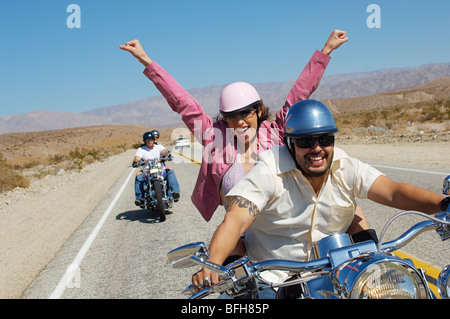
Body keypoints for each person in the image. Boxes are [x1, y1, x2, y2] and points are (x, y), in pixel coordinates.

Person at [192, 99, 448, 293]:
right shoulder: (269, 168)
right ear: (290, 143)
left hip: (340, 276)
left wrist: (443, 204)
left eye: (324, 139)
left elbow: (393, 192)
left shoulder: (345, 166)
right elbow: (236, 220)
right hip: (276, 282)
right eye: (305, 142)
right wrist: (213, 263)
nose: (316, 149)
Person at [120, 30, 360, 222]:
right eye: (232, 116)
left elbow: (301, 92)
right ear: (224, 118)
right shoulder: (215, 139)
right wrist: (146, 61)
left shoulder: (275, 133)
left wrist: (326, 51)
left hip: (285, 231)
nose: (241, 121)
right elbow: (184, 104)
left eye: (246, 112)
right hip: (240, 238)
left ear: (258, 110)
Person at [133, 131, 180, 205]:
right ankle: (140, 198)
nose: (149, 141)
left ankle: (175, 192)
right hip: (147, 171)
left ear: (153, 140)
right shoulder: (141, 149)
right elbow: (137, 157)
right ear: (144, 141)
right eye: (147, 140)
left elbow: (164, 151)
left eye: (151, 139)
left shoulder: (159, 147)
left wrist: (168, 154)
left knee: (170, 170)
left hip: (160, 169)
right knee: (138, 175)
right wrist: (136, 161)